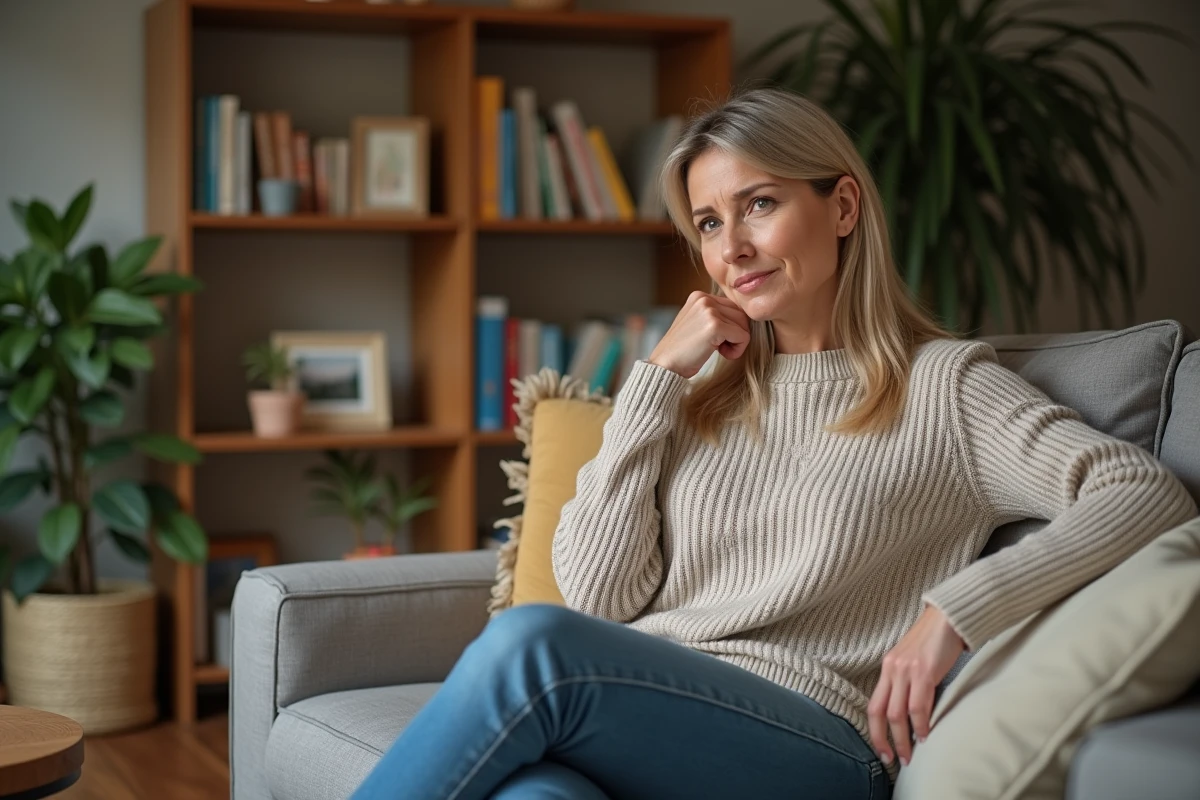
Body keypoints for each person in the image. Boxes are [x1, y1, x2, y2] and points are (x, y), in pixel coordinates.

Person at [350, 87, 1197, 800]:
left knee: (527, 643)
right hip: (650, 711)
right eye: (710, 224)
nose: (733, 249)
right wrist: (654, 381)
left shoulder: (945, 388)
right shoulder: (696, 400)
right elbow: (598, 602)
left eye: (759, 204)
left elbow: (1142, 494)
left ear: (841, 205)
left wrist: (957, 612)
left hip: (819, 743)